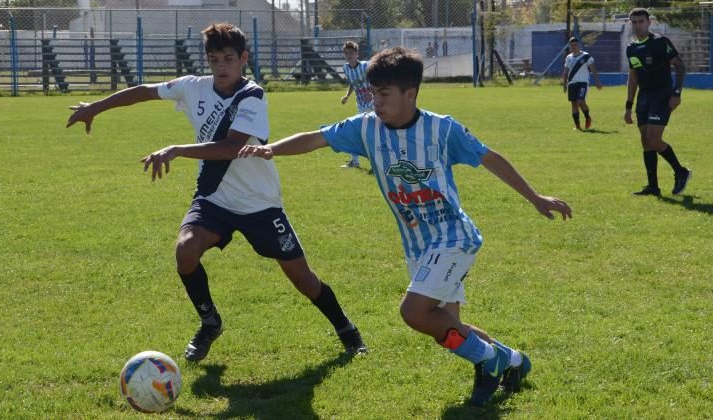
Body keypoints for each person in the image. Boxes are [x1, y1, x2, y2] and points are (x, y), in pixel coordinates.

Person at [239, 46, 572, 406]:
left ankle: (489, 363)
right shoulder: (366, 128)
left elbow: (490, 158)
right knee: (445, 326)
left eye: (384, 94)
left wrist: (535, 197)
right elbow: (316, 138)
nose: (376, 102)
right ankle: (511, 361)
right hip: (418, 245)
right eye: (372, 94)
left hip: (453, 237)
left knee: (413, 313)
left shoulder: (441, 129)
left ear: (409, 94)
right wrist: (271, 149)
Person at [65, 23, 366, 361]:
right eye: (214, 60)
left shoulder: (252, 96)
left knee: (303, 280)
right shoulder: (193, 87)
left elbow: (231, 147)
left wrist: (177, 149)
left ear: (243, 59)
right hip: (214, 198)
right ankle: (210, 322)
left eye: (228, 59)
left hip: (259, 203)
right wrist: (95, 107)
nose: (221, 67)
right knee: (185, 250)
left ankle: (347, 330)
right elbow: (146, 90)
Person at [624, 8, 691, 196]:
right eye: (634, 22)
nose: (637, 25)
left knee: (653, 139)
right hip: (644, 97)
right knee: (645, 140)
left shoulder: (660, 42)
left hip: (662, 95)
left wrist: (676, 93)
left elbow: (680, 65)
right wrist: (628, 106)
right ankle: (653, 187)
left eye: (641, 21)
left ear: (649, 22)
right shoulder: (631, 48)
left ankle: (681, 171)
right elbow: (633, 78)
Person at [339, 40, 373, 168]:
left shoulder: (365, 66)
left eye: (351, 53)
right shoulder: (346, 67)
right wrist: (347, 96)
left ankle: (376, 160)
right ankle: (355, 161)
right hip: (360, 104)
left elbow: (377, 80)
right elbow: (352, 84)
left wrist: (372, 93)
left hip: (373, 103)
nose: (349, 55)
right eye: (346, 53)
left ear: (356, 53)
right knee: (357, 131)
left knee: (366, 131)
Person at [561, 37, 602, 130]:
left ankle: (587, 117)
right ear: (570, 46)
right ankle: (578, 126)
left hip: (583, 82)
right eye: (572, 45)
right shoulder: (569, 57)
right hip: (571, 83)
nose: (574, 47)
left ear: (578, 45)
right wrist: (564, 84)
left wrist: (597, 81)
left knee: (580, 101)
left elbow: (593, 69)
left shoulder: (586, 56)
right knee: (574, 104)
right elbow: (566, 71)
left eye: (575, 45)